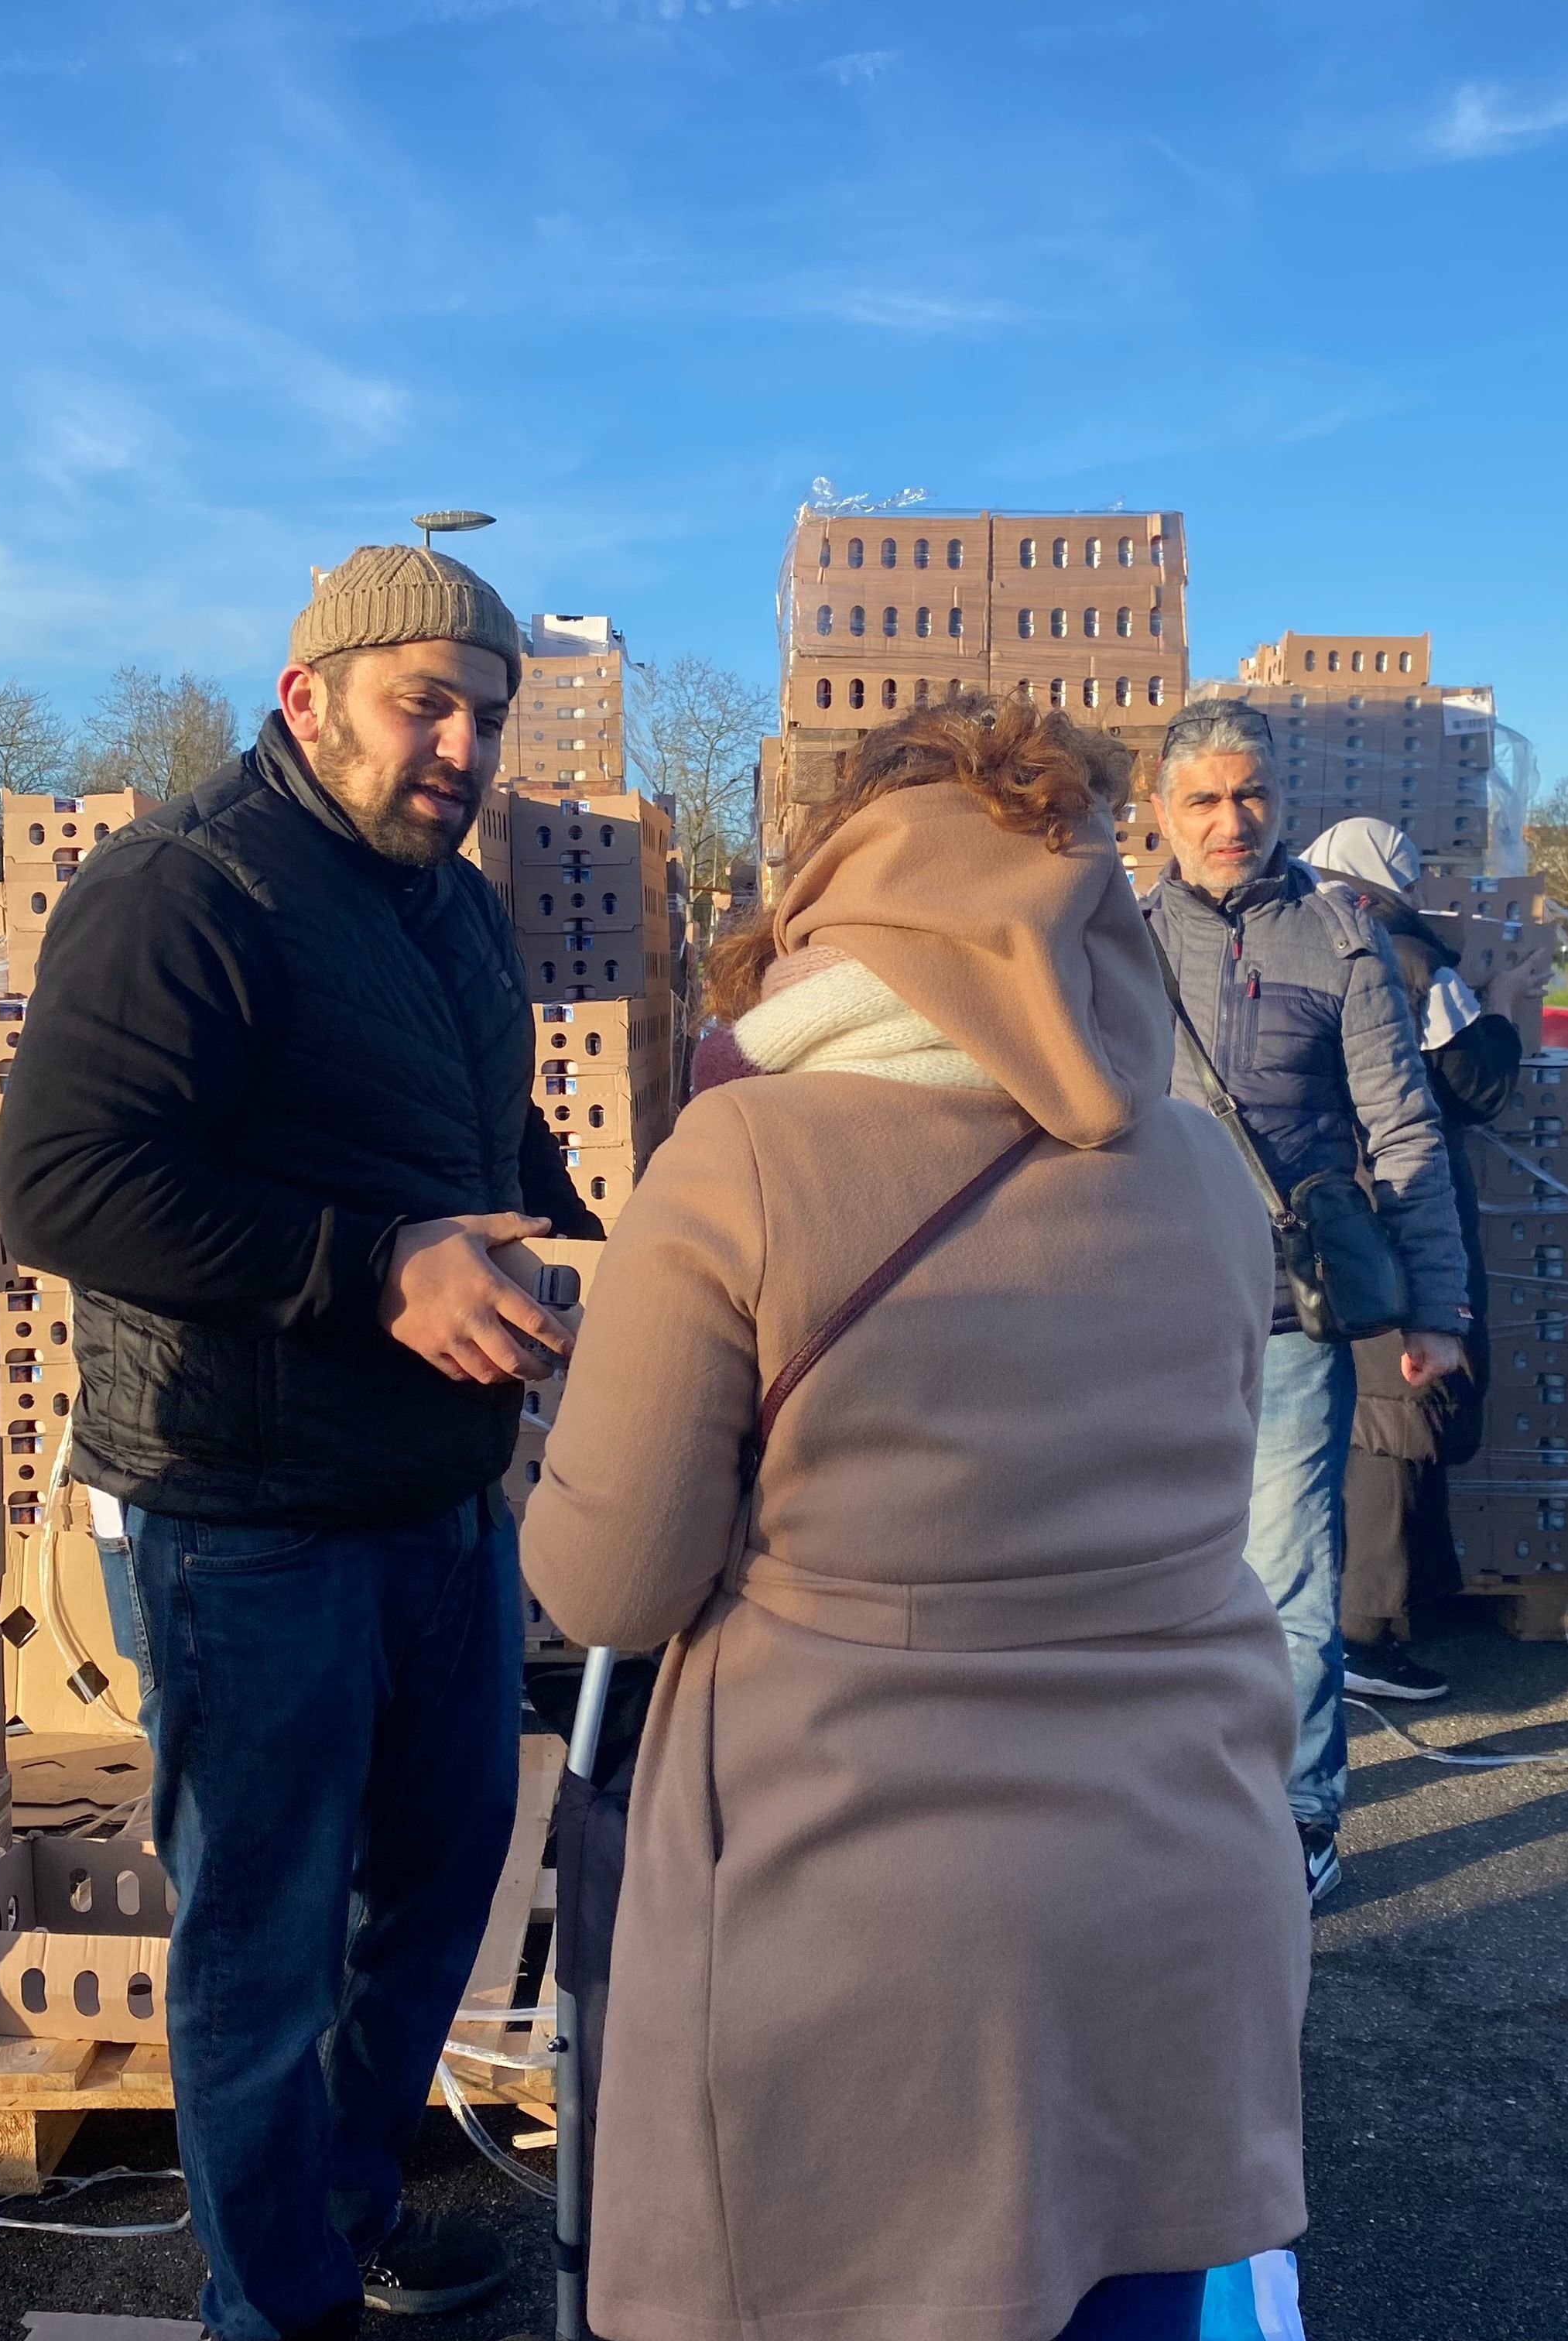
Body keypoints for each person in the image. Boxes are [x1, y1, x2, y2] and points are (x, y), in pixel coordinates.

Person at [522, 693, 1305, 2341]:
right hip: (1176, 1898)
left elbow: (609, 1578)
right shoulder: (1204, 1175)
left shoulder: (744, 1157)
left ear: (843, 897)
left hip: (860, 1921)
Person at [0, 544, 603, 2341]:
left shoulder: (451, 903)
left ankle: (344, 2208)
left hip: (437, 1489)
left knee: (436, 1880)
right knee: (260, 1940)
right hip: (244, 1508)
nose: (462, 747)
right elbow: (66, 1186)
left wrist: (577, 1237)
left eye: (487, 714)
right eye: (427, 703)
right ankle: (277, 2306)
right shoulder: (185, 891)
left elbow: (490, 1137)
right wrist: (369, 1269)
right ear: (308, 698)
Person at [1141, 701, 1470, 1901]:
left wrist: (1439, 1306)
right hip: (1146, 1323)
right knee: (1152, 1577)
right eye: (1205, 800)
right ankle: (1169, 1804)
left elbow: (1404, 1128)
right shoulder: (1115, 944)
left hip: (1290, 1320)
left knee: (1285, 1582)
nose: (1233, 821)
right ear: (1162, 814)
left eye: (1253, 796)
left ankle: (1298, 1819)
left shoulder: (1338, 938)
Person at [1296, 817, 1530, 1701]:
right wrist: (1505, 1002)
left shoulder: (1271, 946)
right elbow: (1479, 1087)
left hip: (1304, 1207)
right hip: (1386, 1209)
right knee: (1396, 1414)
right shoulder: (1403, 958)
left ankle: (1341, 1613)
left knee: (1329, 1411)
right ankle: (1367, 1631)